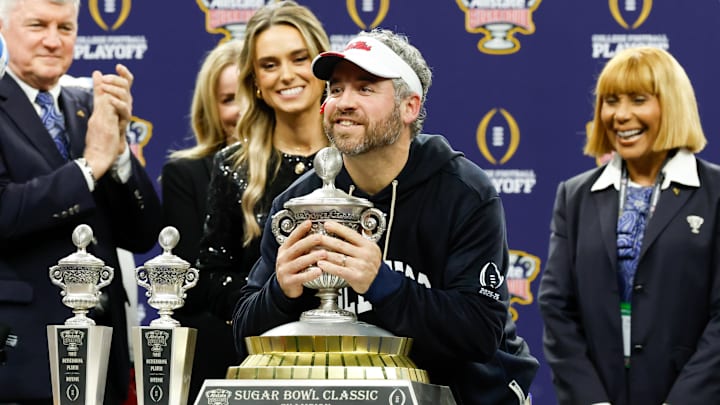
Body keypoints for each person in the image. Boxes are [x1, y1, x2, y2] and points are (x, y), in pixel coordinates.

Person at [233, 28, 539, 405]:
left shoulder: (464, 193)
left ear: (409, 107)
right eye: (336, 89)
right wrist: (281, 291)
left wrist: (382, 283)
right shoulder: (300, 202)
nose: (344, 101)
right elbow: (243, 336)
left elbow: (479, 333)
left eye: (365, 88)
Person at [0, 0, 162, 403]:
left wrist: (120, 150)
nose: (53, 41)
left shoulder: (87, 106)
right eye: (38, 25)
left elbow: (143, 235)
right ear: (3, 27)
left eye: (66, 28)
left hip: (104, 354)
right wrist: (88, 168)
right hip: (20, 357)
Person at [538, 46, 720, 405]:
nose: (620, 115)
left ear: (672, 106)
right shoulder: (575, 196)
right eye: (610, 101)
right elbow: (557, 308)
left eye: (638, 100)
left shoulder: (715, 194)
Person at [195, 0, 330, 325]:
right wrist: (275, 296)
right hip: (269, 353)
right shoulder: (233, 166)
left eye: (300, 59)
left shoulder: (358, 154)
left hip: (360, 347)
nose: (286, 75)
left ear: (322, 65)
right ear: (254, 80)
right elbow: (213, 279)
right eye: (269, 65)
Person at [160, 39, 245, 402]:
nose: (242, 111)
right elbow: (192, 286)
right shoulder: (186, 173)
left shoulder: (312, 167)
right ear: (210, 109)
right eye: (228, 100)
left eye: (249, 94)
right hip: (216, 356)